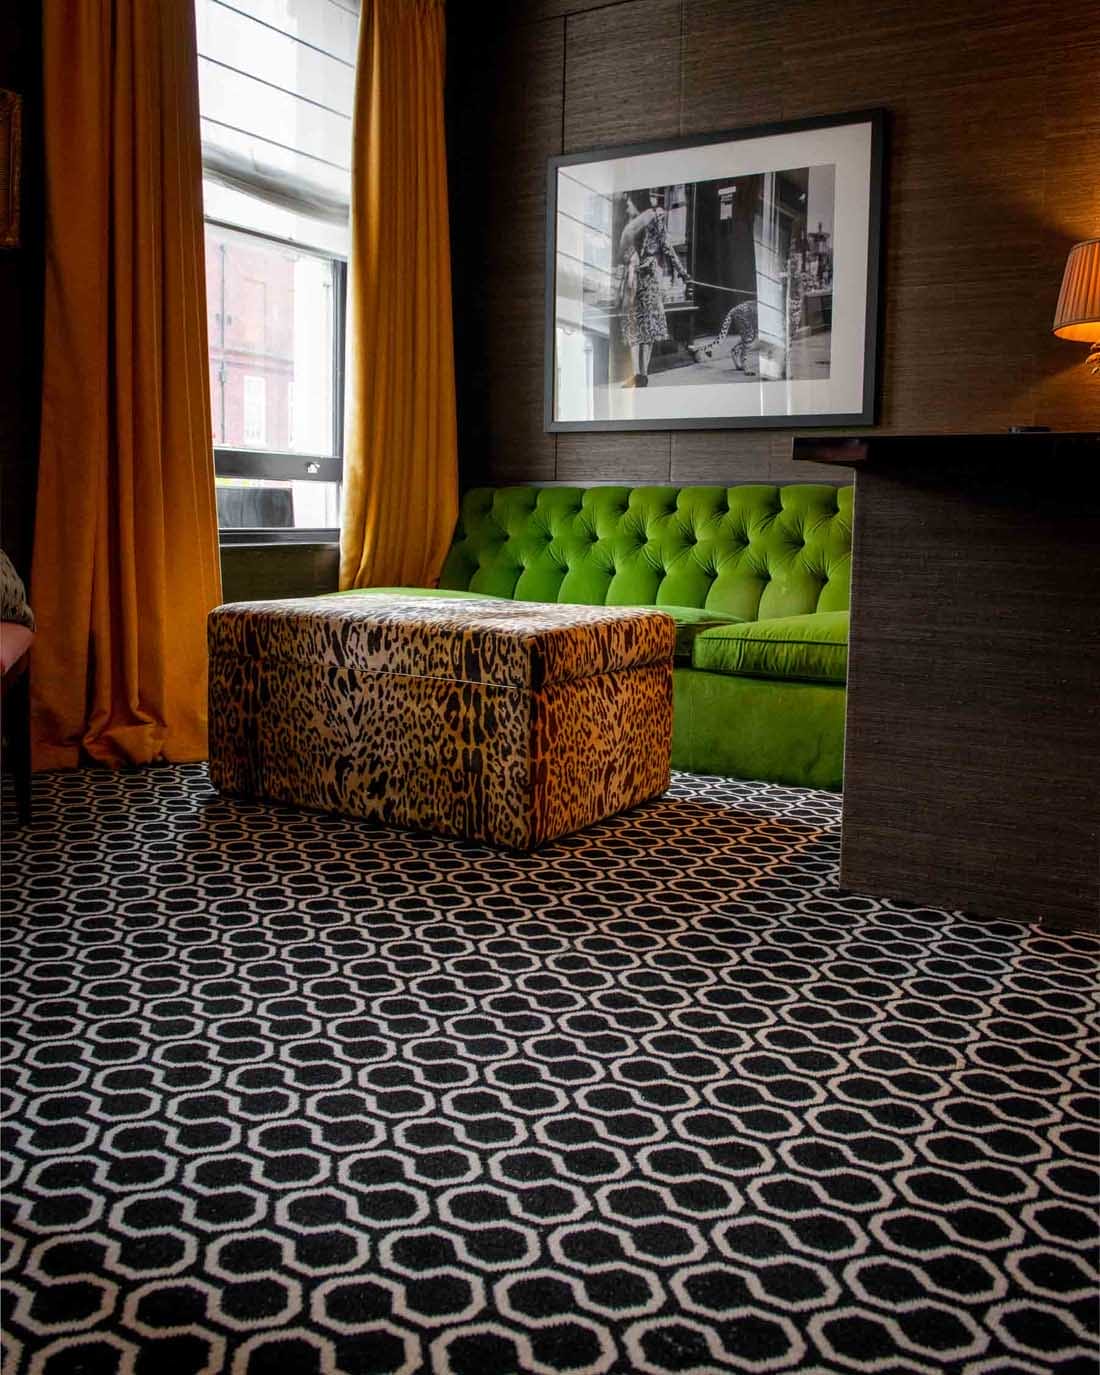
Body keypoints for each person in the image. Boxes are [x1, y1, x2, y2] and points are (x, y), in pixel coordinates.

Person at [617, 189, 689, 387]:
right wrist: (631, 259)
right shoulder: (629, 223)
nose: (627, 205)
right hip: (634, 281)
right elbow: (622, 250)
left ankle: (643, 375)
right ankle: (637, 374)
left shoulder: (654, 218)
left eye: (630, 201)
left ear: (636, 202)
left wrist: (682, 273)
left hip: (647, 281)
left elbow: (667, 247)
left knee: (646, 328)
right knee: (634, 328)